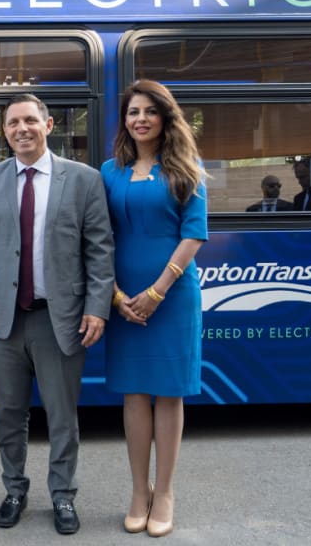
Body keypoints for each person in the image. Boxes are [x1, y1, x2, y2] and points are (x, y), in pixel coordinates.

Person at [0, 93, 114, 534]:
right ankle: (14, 489)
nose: (21, 129)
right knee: (7, 415)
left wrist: (97, 308)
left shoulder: (84, 180)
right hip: (4, 322)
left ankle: (63, 496)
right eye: (13, 123)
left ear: (48, 126)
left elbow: (100, 251)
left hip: (60, 319)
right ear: (5, 131)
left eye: (30, 120)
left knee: (62, 415)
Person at [102, 79, 208, 538]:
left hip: (173, 296)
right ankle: (138, 492)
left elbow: (193, 235)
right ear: (124, 121)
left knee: (168, 392)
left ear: (166, 117)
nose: (140, 119)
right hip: (122, 298)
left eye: (149, 111)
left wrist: (158, 291)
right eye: (132, 112)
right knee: (134, 393)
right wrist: (116, 295)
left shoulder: (187, 168)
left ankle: (164, 492)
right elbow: (96, 237)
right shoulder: (109, 171)